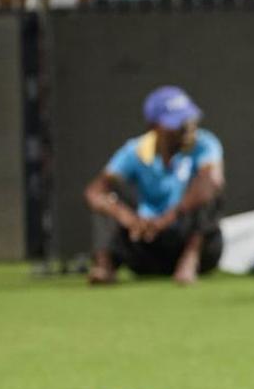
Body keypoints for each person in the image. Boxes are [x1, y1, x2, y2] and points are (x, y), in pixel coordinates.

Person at [84, 86, 224, 285]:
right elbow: (94, 191)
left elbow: (211, 182)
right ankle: (105, 265)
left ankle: (189, 261)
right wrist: (128, 218)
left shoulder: (205, 144)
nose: (186, 126)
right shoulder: (134, 151)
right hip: (146, 244)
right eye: (176, 122)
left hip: (190, 241)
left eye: (188, 119)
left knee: (211, 187)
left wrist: (168, 217)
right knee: (105, 199)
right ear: (154, 127)